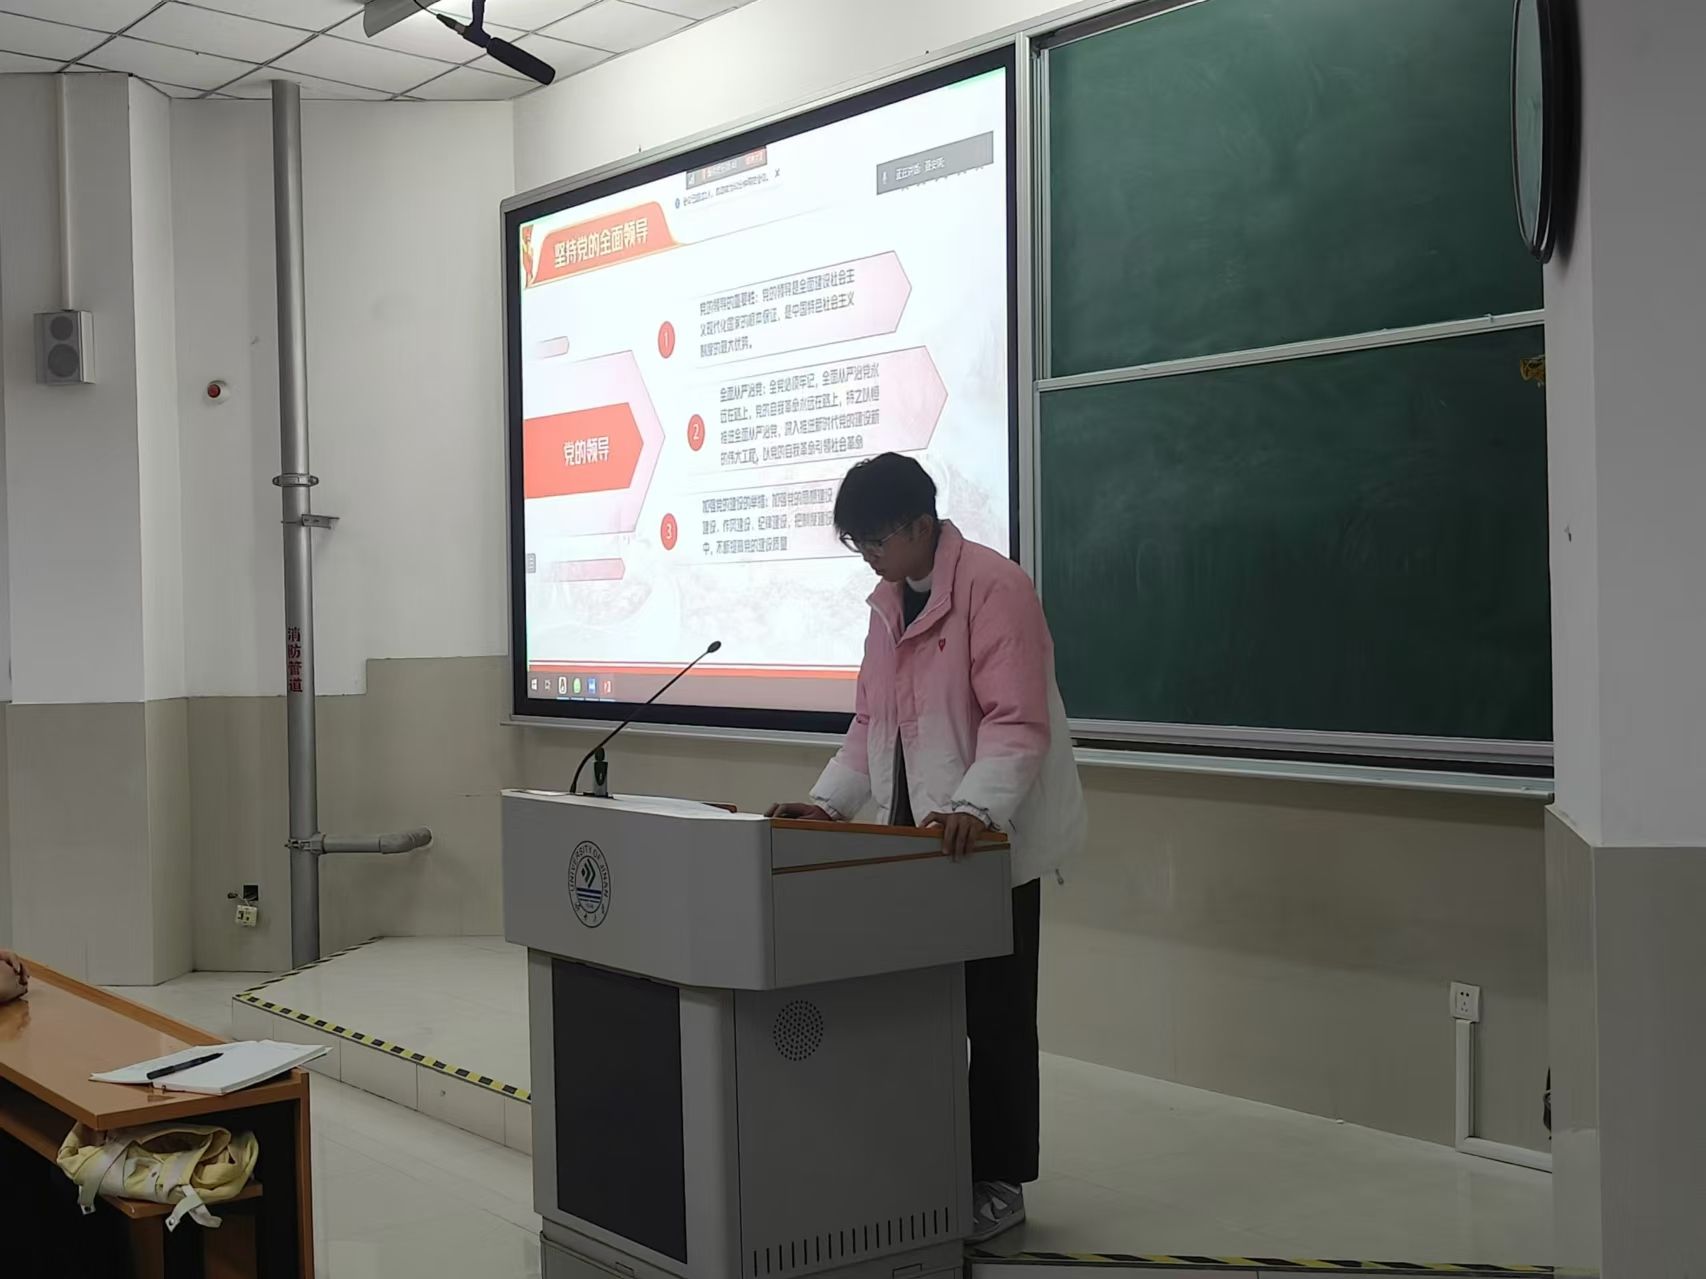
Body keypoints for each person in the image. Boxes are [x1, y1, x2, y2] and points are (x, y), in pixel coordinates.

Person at [769, 453, 1086, 1242]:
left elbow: (1017, 720)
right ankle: (933, 1163)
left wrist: (976, 806)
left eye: (876, 540)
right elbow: (871, 724)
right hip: (914, 850)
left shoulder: (994, 587)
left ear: (920, 523)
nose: (869, 557)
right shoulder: (886, 605)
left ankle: (1001, 1179)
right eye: (858, 544)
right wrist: (827, 803)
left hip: (986, 845)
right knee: (924, 1015)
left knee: (998, 1018)